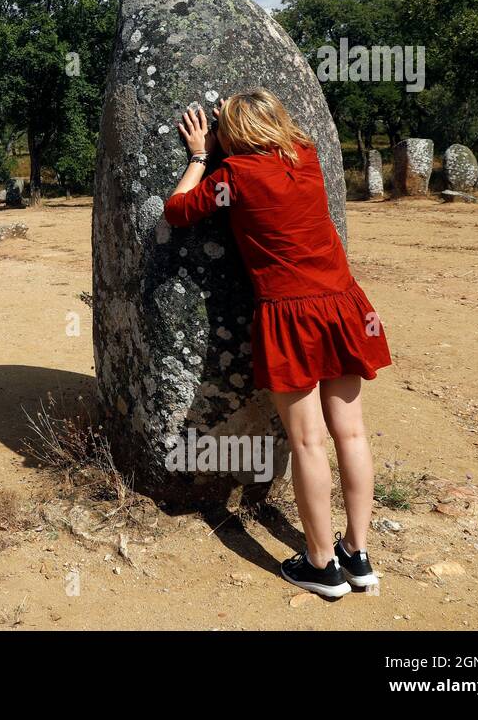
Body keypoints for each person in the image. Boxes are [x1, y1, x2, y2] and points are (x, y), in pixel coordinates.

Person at [163, 90, 391, 598]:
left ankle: (321, 564)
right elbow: (273, 135)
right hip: (342, 305)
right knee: (350, 435)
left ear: (230, 137)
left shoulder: (232, 178)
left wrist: (201, 154)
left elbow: (177, 210)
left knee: (308, 441)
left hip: (289, 316)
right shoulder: (303, 156)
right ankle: (357, 554)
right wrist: (239, 120)